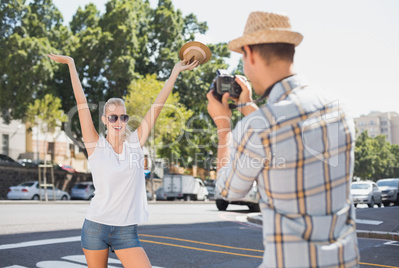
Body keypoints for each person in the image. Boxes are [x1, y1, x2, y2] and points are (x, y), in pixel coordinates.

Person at [207, 11, 360, 268]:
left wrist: (224, 126)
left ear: (250, 53)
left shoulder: (256, 128)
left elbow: (227, 190)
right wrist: (248, 106)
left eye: (243, 57)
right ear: (290, 51)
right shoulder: (339, 107)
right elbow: (287, 131)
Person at [48, 53, 198, 268]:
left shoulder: (135, 143)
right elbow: (81, 102)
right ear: (105, 120)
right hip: (95, 227)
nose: (118, 121)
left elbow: (158, 105)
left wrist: (174, 72)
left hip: (126, 231)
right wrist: (71, 63)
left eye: (123, 117)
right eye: (113, 117)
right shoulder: (95, 145)